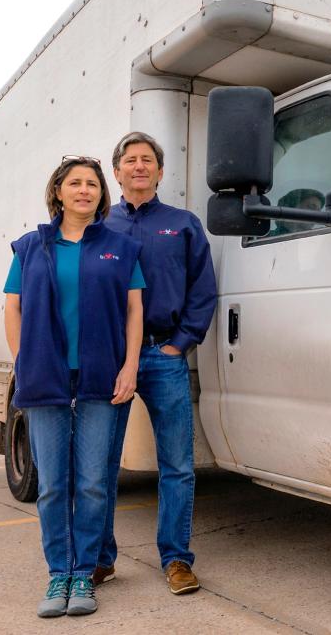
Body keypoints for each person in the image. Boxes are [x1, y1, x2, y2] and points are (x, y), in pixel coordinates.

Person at [3, 156, 145, 617]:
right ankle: (58, 573)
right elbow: (13, 307)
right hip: (46, 376)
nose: (84, 190)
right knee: (51, 486)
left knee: (92, 483)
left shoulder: (120, 247)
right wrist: (24, 362)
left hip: (101, 376)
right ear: (58, 192)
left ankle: (84, 573)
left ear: (102, 194)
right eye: (75, 183)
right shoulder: (30, 247)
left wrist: (129, 368)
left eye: (92, 184)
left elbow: (133, 311)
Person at [98, 131, 217, 595]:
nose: (140, 166)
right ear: (117, 171)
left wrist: (179, 344)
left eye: (148, 160)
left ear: (161, 171)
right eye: (130, 160)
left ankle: (176, 560)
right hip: (110, 361)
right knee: (101, 464)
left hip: (165, 354)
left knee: (177, 465)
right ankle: (101, 559)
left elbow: (203, 288)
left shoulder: (183, 223)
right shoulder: (99, 224)